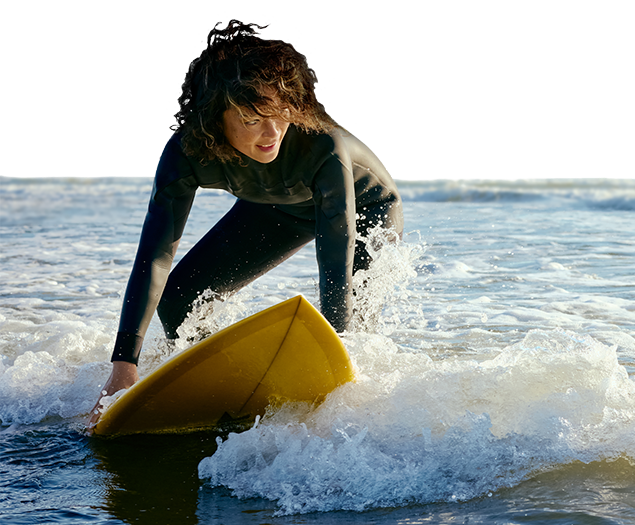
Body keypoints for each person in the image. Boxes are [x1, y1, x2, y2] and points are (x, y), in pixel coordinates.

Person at [87, 19, 403, 430]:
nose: (272, 133)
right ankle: (224, 385)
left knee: (349, 325)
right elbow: (156, 253)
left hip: (364, 212)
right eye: (253, 120)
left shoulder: (323, 148)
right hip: (276, 206)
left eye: (281, 112)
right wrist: (124, 366)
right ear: (215, 118)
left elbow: (334, 260)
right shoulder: (186, 153)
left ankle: (356, 413)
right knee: (180, 298)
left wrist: (335, 352)